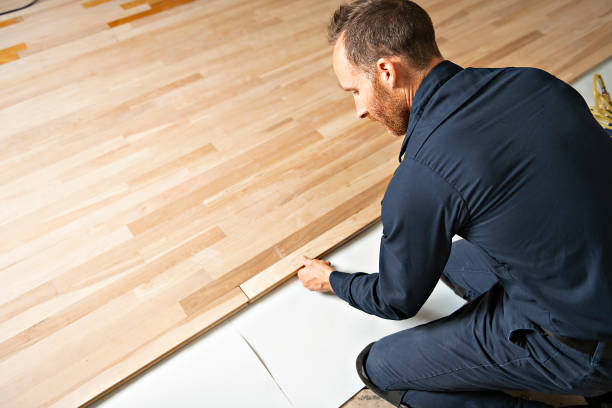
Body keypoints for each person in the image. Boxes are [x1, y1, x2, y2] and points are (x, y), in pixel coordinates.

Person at [296, 0, 612, 407]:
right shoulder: (534, 82)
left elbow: (397, 300)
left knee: (377, 368)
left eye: (355, 91)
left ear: (387, 72)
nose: (359, 110)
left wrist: (335, 281)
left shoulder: (422, 177)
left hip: (586, 344)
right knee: (447, 257)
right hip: (594, 280)